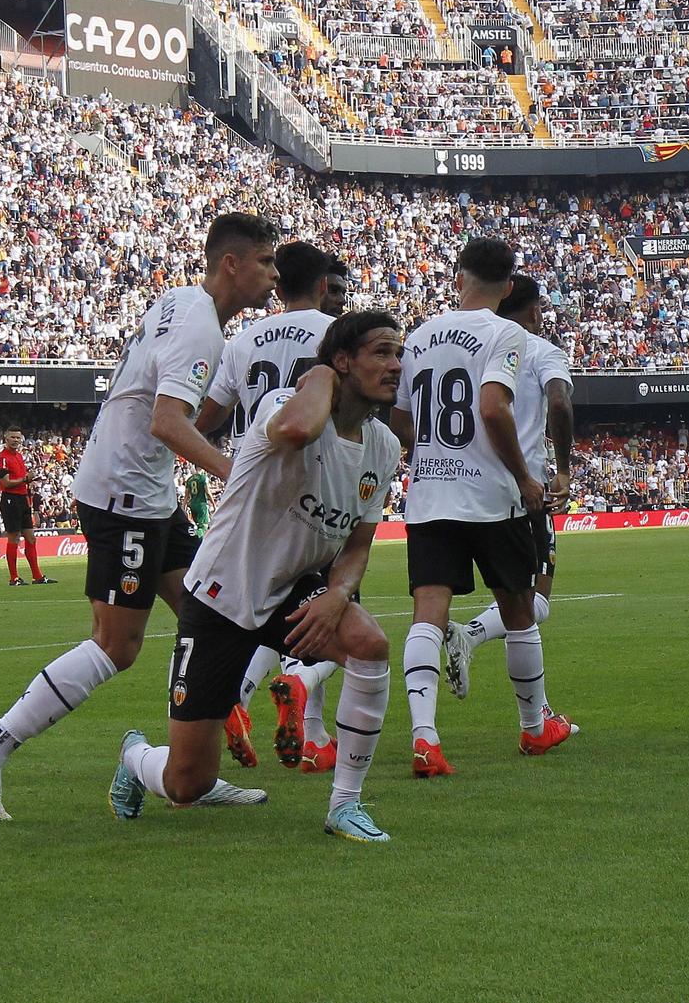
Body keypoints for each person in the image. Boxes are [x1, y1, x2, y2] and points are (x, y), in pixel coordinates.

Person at [0, 212, 279, 821]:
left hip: (146, 492)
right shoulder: (202, 330)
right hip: (125, 495)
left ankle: (191, 769)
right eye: (265, 261)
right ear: (231, 263)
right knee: (117, 646)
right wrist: (239, 474)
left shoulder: (181, 302)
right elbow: (167, 421)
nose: (273, 274)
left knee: (212, 614)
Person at [108, 311, 406, 843]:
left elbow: (359, 542)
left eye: (398, 353)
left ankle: (345, 805)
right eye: (382, 352)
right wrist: (318, 378)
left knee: (369, 644)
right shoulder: (281, 406)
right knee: (186, 783)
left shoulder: (383, 447)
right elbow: (298, 429)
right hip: (223, 592)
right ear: (342, 361)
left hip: (295, 587)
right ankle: (136, 756)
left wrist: (338, 595)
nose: (396, 365)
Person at [392, 237, 577, 778]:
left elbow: (401, 420)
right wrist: (525, 475)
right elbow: (493, 408)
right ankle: (533, 728)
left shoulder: (421, 335)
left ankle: (425, 738)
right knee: (520, 612)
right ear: (511, 286)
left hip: (429, 493)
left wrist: (433, 447)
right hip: (494, 497)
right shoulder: (508, 333)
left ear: (458, 277)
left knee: (428, 615)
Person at [195, 239, 338, 770]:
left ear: (277, 285)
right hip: (319, 493)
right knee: (332, 621)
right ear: (324, 287)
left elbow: (207, 416)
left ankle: (300, 732)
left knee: (266, 614)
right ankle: (298, 682)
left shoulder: (243, 340)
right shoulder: (336, 337)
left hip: (257, 496)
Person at [441, 275, 574, 702]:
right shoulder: (541, 350)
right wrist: (565, 470)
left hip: (463, 483)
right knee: (533, 602)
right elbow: (559, 401)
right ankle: (473, 638)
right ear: (535, 310)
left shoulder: (477, 346)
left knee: (446, 594)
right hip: (525, 487)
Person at [0, 428, 51, 586]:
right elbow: (5, 483)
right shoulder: (3, 458)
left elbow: (19, 480)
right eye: (12, 437)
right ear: (6, 438)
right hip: (10, 500)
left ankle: (37, 576)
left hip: (22, 499)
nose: (15, 440)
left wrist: (28, 483)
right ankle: (14, 578)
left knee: (31, 538)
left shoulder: (19, 456)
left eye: (18, 438)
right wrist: (25, 479)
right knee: (14, 537)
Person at [185, 470, 213, 537]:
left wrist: (184, 506)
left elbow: (186, 496)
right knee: (204, 527)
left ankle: (194, 538)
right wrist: (213, 503)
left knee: (198, 525)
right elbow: (208, 493)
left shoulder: (189, 479)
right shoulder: (203, 478)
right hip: (201, 504)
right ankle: (195, 538)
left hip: (193, 504)